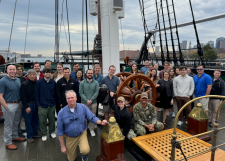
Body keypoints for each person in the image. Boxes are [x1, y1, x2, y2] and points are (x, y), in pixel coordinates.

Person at [57, 90, 107, 161]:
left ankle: (84, 156)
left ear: (76, 98)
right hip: (70, 137)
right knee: (71, 159)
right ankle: (72, 152)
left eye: (72, 97)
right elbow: (59, 131)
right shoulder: (61, 113)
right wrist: (62, 146)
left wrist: (101, 122)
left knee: (85, 150)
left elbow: (92, 117)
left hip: (81, 133)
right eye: (68, 98)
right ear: (66, 100)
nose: (71, 99)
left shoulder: (83, 107)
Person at [0, 65, 26, 150]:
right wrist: (6, 107)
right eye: (10, 69)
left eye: (13, 69)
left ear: (16, 70)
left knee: (16, 122)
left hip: (18, 103)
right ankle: (8, 142)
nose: (12, 71)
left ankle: (14, 136)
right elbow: (0, 96)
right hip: (9, 104)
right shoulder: (2, 81)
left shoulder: (17, 79)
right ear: (6, 70)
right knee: (8, 125)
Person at [34, 68, 57, 141]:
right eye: (47, 72)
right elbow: (36, 94)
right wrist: (38, 104)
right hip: (42, 105)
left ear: (51, 74)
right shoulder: (39, 82)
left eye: (50, 72)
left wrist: (55, 103)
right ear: (43, 73)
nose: (48, 74)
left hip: (52, 105)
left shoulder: (53, 82)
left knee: (52, 119)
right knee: (42, 121)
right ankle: (44, 133)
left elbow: (56, 93)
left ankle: (52, 131)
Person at [20, 69, 42, 143]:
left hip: (36, 104)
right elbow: (23, 97)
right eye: (30, 75)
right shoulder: (24, 84)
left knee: (36, 120)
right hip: (29, 104)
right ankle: (29, 136)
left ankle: (35, 133)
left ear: (36, 75)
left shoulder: (38, 83)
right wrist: (26, 107)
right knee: (28, 121)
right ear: (28, 76)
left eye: (34, 74)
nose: (32, 76)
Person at [79, 69, 99, 137]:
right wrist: (86, 100)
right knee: (83, 117)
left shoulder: (96, 83)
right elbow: (81, 93)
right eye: (88, 73)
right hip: (84, 103)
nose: (90, 74)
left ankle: (91, 129)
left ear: (92, 74)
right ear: (86, 74)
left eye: (91, 73)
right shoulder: (82, 83)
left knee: (92, 116)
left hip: (93, 103)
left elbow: (96, 93)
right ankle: (83, 130)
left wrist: (90, 100)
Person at [15, 64, 26, 137]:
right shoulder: (14, 78)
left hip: (23, 100)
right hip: (16, 100)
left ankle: (19, 129)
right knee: (16, 118)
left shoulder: (24, 79)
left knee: (21, 117)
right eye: (18, 69)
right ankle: (17, 133)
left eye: (21, 69)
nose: (20, 70)